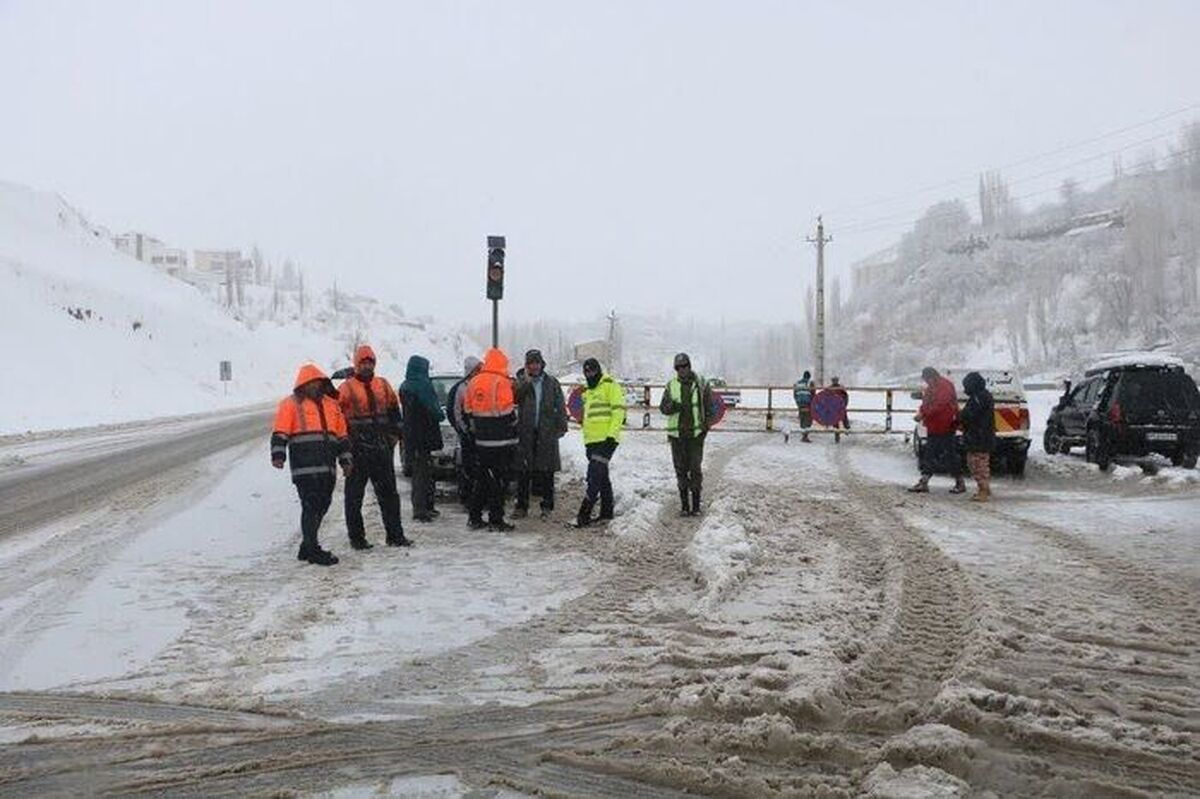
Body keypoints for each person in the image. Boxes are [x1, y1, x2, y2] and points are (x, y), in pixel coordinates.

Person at [271, 363, 353, 566]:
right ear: (303, 384)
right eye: (312, 383)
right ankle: (313, 549)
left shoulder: (332, 405)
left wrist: (345, 460)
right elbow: (280, 431)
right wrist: (278, 455)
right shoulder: (290, 404)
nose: (315, 386)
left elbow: (341, 435)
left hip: (327, 467)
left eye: (318, 382)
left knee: (323, 505)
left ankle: (306, 547)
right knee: (311, 506)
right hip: (304, 467)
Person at [337, 345, 408, 549]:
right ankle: (357, 539)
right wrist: (345, 446)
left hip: (381, 449)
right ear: (357, 365)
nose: (367, 366)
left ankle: (395, 536)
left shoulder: (383, 385)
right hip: (357, 450)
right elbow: (337, 418)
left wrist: (395, 436)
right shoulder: (346, 388)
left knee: (389, 496)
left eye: (370, 362)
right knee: (354, 498)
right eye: (363, 362)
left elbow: (395, 413)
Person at [464, 348, 519, 531]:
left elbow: (468, 410)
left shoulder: (474, 382)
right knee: (499, 482)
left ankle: (475, 516)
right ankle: (496, 519)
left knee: (483, 480)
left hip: (481, 441)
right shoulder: (502, 382)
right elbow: (509, 412)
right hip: (501, 440)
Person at [514, 349, 569, 519]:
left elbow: (560, 405)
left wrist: (561, 426)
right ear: (527, 365)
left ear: (541, 363)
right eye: (531, 363)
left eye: (537, 363)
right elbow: (515, 398)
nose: (534, 366)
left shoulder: (551, 382)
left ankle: (547, 506)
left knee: (547, 471)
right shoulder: (521, 381)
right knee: (523, 470)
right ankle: (521, 507)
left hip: (546, 431)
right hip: (526, 432)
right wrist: (525, 382)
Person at [659, 352, 715, 516]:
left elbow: (711, 407)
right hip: (677, 437)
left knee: (695, 470)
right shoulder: (671, 385)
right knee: (681, 470)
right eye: (679, 368)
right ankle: (684, 506)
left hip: (695, 436)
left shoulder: (701, 384)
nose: (682, 370)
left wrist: (706, 427)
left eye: (684, 366)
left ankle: (696, 506)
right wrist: (672, 406)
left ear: (690, 366)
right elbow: (663, 408)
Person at [575, 358, 626, 527]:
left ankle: (584, 513)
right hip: (591, 441)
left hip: (606, 441)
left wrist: (612, 437)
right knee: (602, 477)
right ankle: (606, 512)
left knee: (594, 476)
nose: (590, 374)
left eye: (592, 371)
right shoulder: (588, 391)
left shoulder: (610, 385)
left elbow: (618, 413)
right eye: (587, 372)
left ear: (598, 370)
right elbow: (583, 413)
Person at [399, 355, 445, 523]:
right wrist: (439, 414)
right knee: (424, 473)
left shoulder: (405, 386)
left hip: (411, 435)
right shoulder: (423, 385)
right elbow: (435, 411)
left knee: (419, 473)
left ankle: (421, 506)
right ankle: (423, 508)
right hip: (425, 434)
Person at [909, 367, 966, 494]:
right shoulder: (931, 387)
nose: (926, 382)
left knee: (949, 455)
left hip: (946, 425)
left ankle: (959, 481)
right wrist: (922, 412)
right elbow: (926, 403)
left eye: (927, 379)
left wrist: (924, 414)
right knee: (930, 453)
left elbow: (940, 405)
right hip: (934, 426)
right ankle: (925, 481)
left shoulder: (945, 386)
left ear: (932, 376)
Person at [447, 355, 482, 506]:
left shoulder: (481, 385)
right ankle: (467, 497)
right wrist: (464, 429)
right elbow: (454, 411)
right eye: (477, 370)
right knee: (468, 466)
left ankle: (479, 497)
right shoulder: (460, 388)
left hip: (481, 434)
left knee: (480, 467)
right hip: (468, 434)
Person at [960, 371, 996, 502]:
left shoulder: (978, 398)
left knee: (977, 464)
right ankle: (984, 488)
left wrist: (960, 417)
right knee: (979, 463)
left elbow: (970, 414)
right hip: (981, 435)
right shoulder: (983, 395)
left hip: (979, 436)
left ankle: (983, 490)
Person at [793, 370, 815, 443]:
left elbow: (795, 393)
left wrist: (797, 401)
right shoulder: (810, 383)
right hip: (807, 403)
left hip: (800, 403)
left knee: (802, 419)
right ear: (809, 377)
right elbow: (813, 394)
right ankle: (805, 436)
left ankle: (803, 434)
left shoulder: (797, 383)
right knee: (808, 419)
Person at [828, 376, 850, 443]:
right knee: (836, 422)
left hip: (840, 406)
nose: (835, 381)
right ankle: (837, 435)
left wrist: (844, 404)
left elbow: (846, 396)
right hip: (834, 407)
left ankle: (846, 428)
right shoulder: (830, 388)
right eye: (834, 380)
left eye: (835, 380)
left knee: (844, 418)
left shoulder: (841, 388)